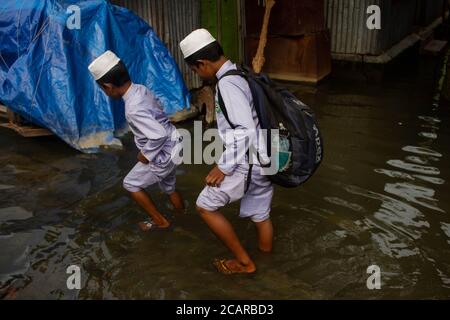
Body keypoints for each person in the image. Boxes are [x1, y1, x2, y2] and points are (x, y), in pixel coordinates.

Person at [180, 29, 274, 274]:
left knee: (204, 205)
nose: (197, 74)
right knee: (260, 214)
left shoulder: (227, 84)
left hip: (248, 160)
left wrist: (223, 166)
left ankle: (245, 263)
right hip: (266, 157)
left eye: (195, 70)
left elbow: (244, 130)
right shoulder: (240, 73)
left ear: (202, 63)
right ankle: (269, 264)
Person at [88, 50, 184, 231]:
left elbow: (158, 134)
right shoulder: (141, 89)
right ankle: (181, 215)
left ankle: (160, 221)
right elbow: (159, 110)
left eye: (102, 88)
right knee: (169, 186)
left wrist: (145, 155)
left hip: (162, 151)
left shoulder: (132, 108)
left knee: (130, 183)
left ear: (108, 86)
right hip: (176, 143)